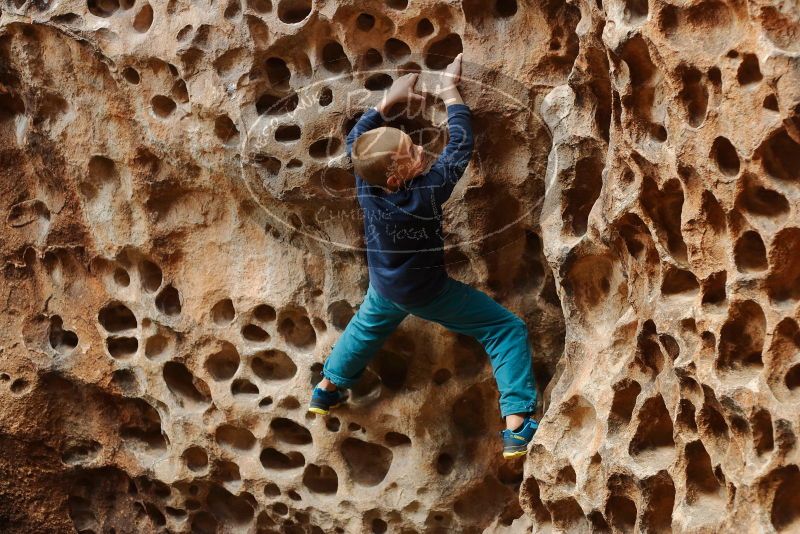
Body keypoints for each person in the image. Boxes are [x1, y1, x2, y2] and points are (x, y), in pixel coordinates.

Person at [308, 54, 538, 459]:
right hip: (429, 292)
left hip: (385, 285)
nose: (421, 152)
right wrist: (451, 93)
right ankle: (517, 423)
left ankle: (326, 390)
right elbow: (460, 148)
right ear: (397, 178)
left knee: (365, 330)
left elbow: (354, 145)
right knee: (505, 329)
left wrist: (387, 102)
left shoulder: (369, 187)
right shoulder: (427, 194)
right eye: (412, 153)